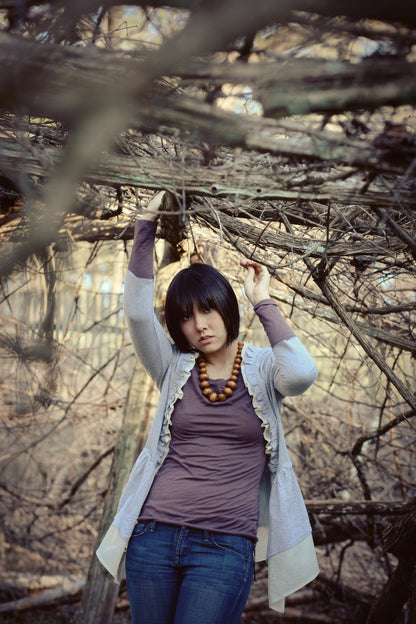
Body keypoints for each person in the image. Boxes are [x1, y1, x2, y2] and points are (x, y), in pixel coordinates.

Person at [96, 191, 319, 624]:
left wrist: (262, 301)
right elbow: (138, 314)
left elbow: (302, 374)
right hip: (154, 535)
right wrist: (145, 227)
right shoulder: (173, 366)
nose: (199, 325)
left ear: (226, 307)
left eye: (207, 309)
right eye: (185, 317)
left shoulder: (264, 367)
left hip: (225, 546)